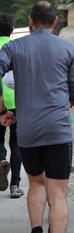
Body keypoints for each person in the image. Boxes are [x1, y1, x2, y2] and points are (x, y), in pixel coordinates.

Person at [0, 2, 74, 233]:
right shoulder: (67, 47)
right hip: (58, 129)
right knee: (58, 193)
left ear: (30, 20)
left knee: (36, 183)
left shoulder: (13, 47)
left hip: (28, 129)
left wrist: (2, 109)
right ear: (55, 22)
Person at [0, 14, 24, 198]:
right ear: (12, 29)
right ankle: (15, 185)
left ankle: (1, 160)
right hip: (17, 101)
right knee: (16, 143)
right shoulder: (17, 48)